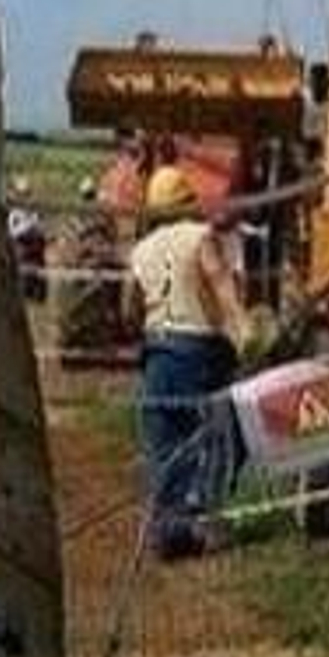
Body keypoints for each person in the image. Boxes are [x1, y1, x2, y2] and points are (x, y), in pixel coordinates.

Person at [126, 163, 246, 558]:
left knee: (164, 442)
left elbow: (129, 306)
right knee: (215, 435)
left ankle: (167, 529)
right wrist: (244, 332)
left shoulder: (140, 251)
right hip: (201, 351)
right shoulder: (200, 237)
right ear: (188, 203)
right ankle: (204, 521)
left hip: (158, 353)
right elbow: (221, 284)